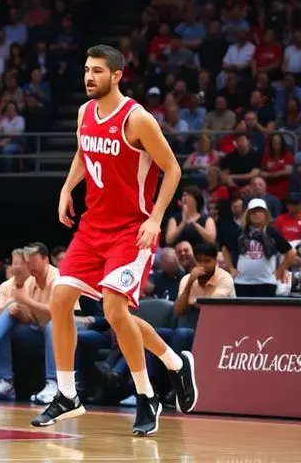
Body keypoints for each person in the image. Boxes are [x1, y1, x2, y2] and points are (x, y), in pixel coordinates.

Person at [32, 45, 197, 436]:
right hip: (93, 227)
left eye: (97, 71)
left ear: (117, 76)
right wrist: (67, 188)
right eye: (87, 70)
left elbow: (172, 169)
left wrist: (156, 220)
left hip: (131, 228)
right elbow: (84, 151)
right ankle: (69, 394)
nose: (89, 77)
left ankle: (146, 396)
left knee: (114, 312)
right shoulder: (84, 112)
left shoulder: (138, 120)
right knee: (59, 296)